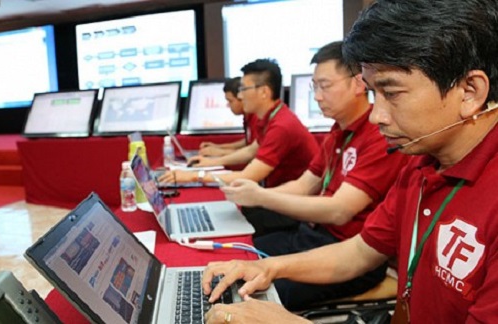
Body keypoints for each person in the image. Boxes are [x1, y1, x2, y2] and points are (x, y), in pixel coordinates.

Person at [201, 0, 498, 323]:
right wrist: (268, 266)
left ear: (470, 91)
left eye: (392, 93)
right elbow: (360, 252)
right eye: (373, 94)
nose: (377, 115)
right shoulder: (421, 162)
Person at [219, 41, 409, 310]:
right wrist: (255, 195)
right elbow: (304, 184)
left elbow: (338, 211)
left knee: (251, 296)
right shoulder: (337, 132)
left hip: (350, 252)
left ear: (358, 83)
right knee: (240, 252)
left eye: (325, 86)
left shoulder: (379, 137)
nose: (317, 96)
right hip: (315, 235)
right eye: (314, 87)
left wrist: (260, 195)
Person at [159, 59, 320, 218]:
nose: (241, 95)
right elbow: (252, 149)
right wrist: (212, 162)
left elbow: (248, 176)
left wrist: (194, 175)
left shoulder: (281, 126)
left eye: (243, 88)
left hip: (293, 206)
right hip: (279, 197)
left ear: (264, 92)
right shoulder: (272, 117)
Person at [198, 77, 257, 157]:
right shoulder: (247, 116)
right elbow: (249, 141)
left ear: (242, 98)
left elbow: (253, 152)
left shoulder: (257, 117)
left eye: (230, 101)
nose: (228, 105)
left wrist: (220, 152)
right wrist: (218, 147)